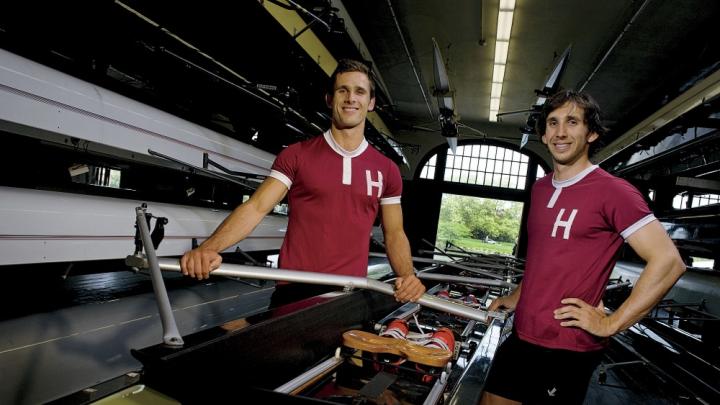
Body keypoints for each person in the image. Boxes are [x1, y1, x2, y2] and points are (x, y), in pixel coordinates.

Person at [480, 90, 686, 405]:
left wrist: (611, 323)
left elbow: (669, 261)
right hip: (523, 333)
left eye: (572, 122)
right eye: (553, 123)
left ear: (590, 133)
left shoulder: (613, 192)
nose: (560, 132)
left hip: (567, 345)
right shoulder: (540, 187)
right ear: (544, 134)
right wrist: (515, 297)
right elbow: (545, 260)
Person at [180, 59, 425, 307]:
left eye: (360, 91)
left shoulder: (387, 170)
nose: (351, 98)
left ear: (371, 103)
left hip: (349, 294)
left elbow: (394, 232)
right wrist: (209, 248)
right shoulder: (297, 155)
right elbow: (256, 207)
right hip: (293, 289)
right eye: (343, 90)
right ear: (330, 99)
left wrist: (408, 276)